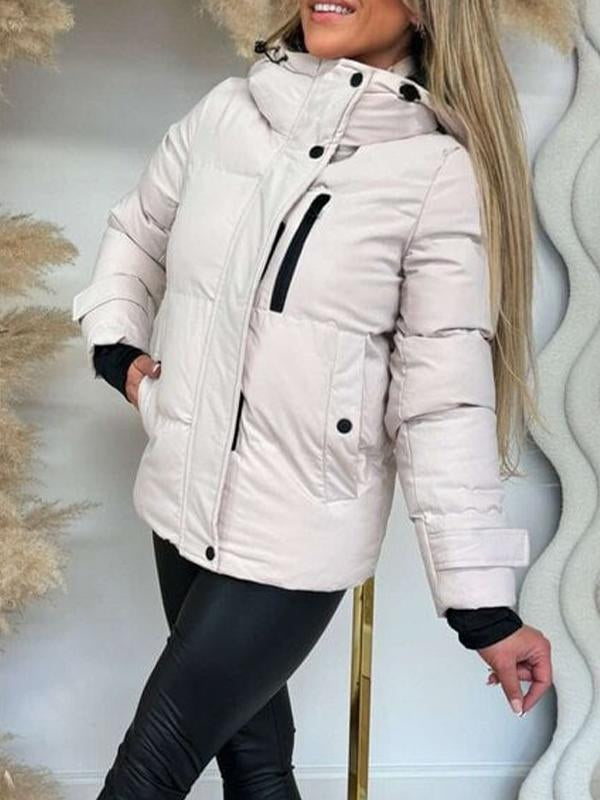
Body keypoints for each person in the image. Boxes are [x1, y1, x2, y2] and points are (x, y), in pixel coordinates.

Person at [72, 1, 553, 797]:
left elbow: (442, 405)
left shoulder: (434, 174)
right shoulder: (225, 114)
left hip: (295, 531)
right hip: (179, 501)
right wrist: (118, 348)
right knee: (257, 768)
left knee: (145, 775)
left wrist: (484, 609)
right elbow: (137, 230)